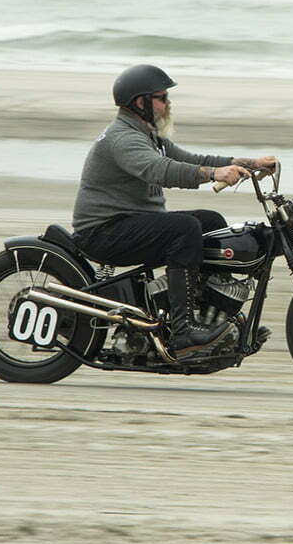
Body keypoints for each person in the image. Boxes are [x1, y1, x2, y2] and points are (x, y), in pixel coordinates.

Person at [71, 64, 277, 358]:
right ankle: (182, 332)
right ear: (139, 102)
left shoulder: (147, 134)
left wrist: (250, 163)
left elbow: (191, 158)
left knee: (210, 222)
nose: (168, 104)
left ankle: (213, 318)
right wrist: (214, 174)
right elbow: (160, 170)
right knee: (184, 229)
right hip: (103, 231)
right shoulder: (123, 138)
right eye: (161, 98)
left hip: (131, 222)